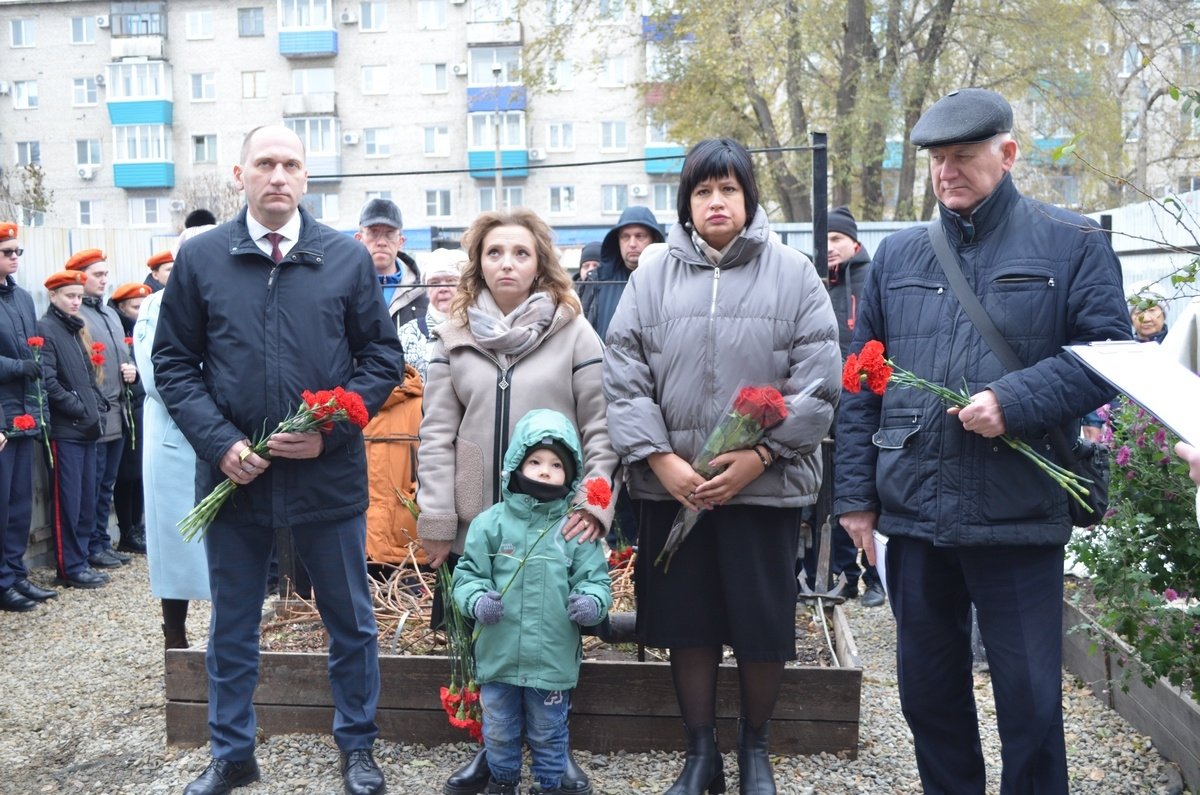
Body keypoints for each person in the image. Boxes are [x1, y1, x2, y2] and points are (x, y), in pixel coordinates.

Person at [834, 89, 1132, 794]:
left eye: (962, 156)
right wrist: (854, 499)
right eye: (937, 160)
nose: (947, 172)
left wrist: (1015, 401)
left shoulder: (1074, 242)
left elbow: (1110, 355)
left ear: (1008, 152)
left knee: (1030, 703)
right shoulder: (899, 255)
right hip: (914, 513)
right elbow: (859, 385)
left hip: (1019, 514)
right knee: (928, 696)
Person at [153, 124, 402, 795]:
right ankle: (232, 751)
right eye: (265, 163)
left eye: (291, 163)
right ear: (240, 174)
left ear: (307, 177)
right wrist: (220, 442)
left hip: (327, 476)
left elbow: (382, 358)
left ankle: (357, 745)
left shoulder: (345, 260)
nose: (278, 176)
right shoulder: (203, 259)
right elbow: (174, 363)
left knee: (349, 619)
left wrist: (336, 429)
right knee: (232, 623)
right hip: (237, 480)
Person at [603, 138, 840, 794]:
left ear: (748, 197)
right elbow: (622, 375)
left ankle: (754, 749)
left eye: (728, 190)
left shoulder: (793, 274)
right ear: (686, 202)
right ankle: (700, 752)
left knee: (761, 626)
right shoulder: (651, 275)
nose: (716, 202)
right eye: (703, 191)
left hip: (763, 491)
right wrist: (661, 460)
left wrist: (761, 454)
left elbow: (818, 384)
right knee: (689, 622)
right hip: (673, 489)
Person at [417, 208, 617, 795]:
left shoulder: (574, 332)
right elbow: (435, 434)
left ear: (540, 263)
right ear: (477, 262)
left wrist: (595, 505)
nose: (508, 262)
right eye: (495, 252)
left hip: (557, 519)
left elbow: (600, 430)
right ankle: (491, 747)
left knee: (552, 634)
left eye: (521, 253)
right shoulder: (453, 335)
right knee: (482, 638)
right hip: (478, 515)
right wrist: (436, 514)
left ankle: (558, 749)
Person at [451, 408, 612, 795]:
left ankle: (550, 784)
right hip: (499, 656)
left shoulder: (575, 529)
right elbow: (467, 576)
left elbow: (597, 581)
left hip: (551, 661)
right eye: (535, 461)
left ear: (570, 474)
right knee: (499, 728)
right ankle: (503, 782)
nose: (544, 470)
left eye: (556, 464)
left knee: (549, 728)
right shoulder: (490, 524)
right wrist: (476, 601)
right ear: (514, 466)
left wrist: (591, 603)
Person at [801, 206, 886, 608]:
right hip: (822, 402)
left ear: (854, 242)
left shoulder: (871, 279)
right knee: (824, 494)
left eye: (836, 239)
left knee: (866, 489)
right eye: (824, 240)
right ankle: (839, 574)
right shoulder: (814, 284)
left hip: (864, 401)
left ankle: (875, 576)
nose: (829, 248)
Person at [133, 227, 214, 650]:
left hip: (224, 437)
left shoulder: (228, 297)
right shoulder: (154, 305)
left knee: (229, 548)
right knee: (177, 544)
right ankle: (175, 638)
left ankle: (229, 637)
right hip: (176, 440)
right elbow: (156, 376)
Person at [38, 270, 109, 591]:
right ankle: (69, 566)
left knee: (85, 499)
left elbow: (87, 376)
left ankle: (80, 559)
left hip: (88, 428)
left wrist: (96, 406)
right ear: (53, 296)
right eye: (69, 296)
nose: (76, 302)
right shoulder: (47, 329)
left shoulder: (75, 328)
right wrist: (80, 407)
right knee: (68, 500)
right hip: (68, 430)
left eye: (79, 296)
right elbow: (49, 381)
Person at [67, 249, 138, 568]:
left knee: (107, 483)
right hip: (95, 413)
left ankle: (100, 541)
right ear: (80, 277)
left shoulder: (109, 313)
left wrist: (131, 369)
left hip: (118, 411)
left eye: (105, 274)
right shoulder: (78, 312)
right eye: (98, 274)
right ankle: (91, 546)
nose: (104, 279)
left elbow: (123, 352)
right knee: (93, 485)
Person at [0, 221, 58, 611]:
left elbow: (34, 347)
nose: (16, 258)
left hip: (23, 413)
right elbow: (22, 360)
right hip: (3, 416)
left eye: (18, 252)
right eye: (8, 252)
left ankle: (15, 573)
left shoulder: (21, 298)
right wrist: (20, 367)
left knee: (20, 503)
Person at [109, 282, 152, 555]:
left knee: (139, 474)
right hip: (126, 406)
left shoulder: (145, 328)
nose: (140, 312)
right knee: (126, 474)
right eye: (135, 307)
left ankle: (137, 525)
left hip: (140, 405)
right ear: (122, 307)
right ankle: (128, 529)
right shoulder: (120, 330)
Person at [582, 206, 664, 341]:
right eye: (625, 237)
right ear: (617, 241)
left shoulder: (669, 280)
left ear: (654, 239)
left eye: (640, 236)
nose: (632, 244)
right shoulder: (597, 282)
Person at [356, 198, 428, 332]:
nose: (381, 242)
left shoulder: (423, 291)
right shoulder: (344, 289)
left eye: (389, 234)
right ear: (359, 239)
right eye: (373, 233)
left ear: (401, 241)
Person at [397, 247, 466, 380]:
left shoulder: (481, 330)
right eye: (434, 283)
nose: (442, 289)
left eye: (451, 281)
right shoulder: (407, 334)